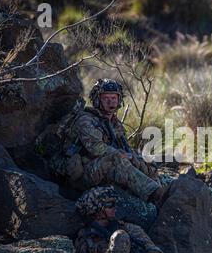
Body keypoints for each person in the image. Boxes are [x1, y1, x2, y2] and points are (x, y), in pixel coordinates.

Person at [52, 78, 168, 207]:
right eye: (106, 98)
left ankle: (161, 190)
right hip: (81, 175)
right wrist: (123, 155)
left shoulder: (113, 123)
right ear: (97, 99)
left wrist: (136, 159)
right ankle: (156, 195)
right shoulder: (86, 120)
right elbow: (97, 149)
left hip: (102, 170)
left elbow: (125, 149)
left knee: (143, 161)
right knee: (116, 158)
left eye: (114, 98)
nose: (110, 102)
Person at [74, 186, 164, 253]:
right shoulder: (86, 236)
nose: (114, 208)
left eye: (115, 204)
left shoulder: (122, 226)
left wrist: (153, 251)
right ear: (96, 208)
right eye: (109, 205)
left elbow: (144, 239)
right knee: (120, 236)